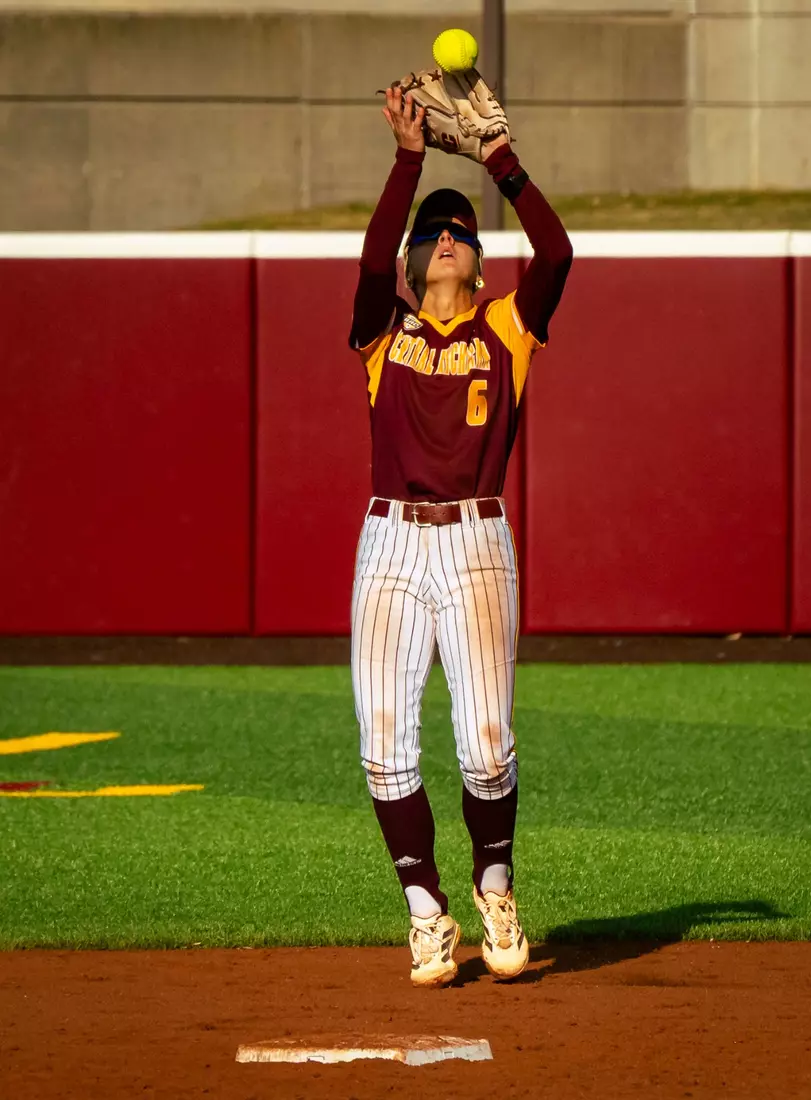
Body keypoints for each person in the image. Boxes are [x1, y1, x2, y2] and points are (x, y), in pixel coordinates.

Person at [349, 85, 572, 987]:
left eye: (462, 232)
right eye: (433, 232)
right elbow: (367, 265)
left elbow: (557, 251)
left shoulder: (507, 327)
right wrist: (410, 160)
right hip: (392, 545)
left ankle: (494, 883)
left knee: (486, 741)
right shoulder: (382, 330)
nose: (448, 236)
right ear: (412, 261)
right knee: (385, 740)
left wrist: (499, 163)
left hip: (477, 540)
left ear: (479, 264)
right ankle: (426, 911)